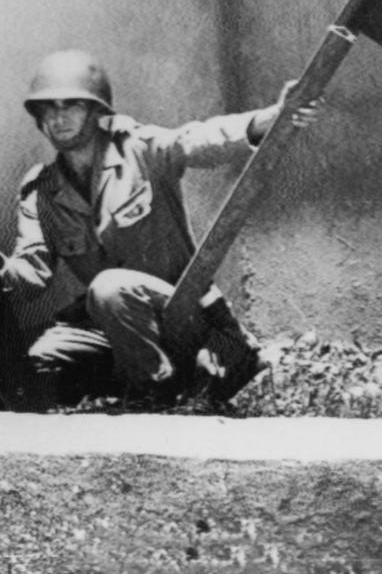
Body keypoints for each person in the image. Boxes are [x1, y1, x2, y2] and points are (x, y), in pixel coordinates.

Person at [0, 50, 321, 409]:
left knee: (108, 287)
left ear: (95, 111)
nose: (59, 118)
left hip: (185, 317)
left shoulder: (139, 149)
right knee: (43, 365)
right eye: (48, 109)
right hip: (119, 328)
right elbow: (28, 274)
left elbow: (197, 140)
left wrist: (270, 119)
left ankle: (165, 396)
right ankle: (156, 382)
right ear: (38, 118)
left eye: (71, 105)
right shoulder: (41, 190)